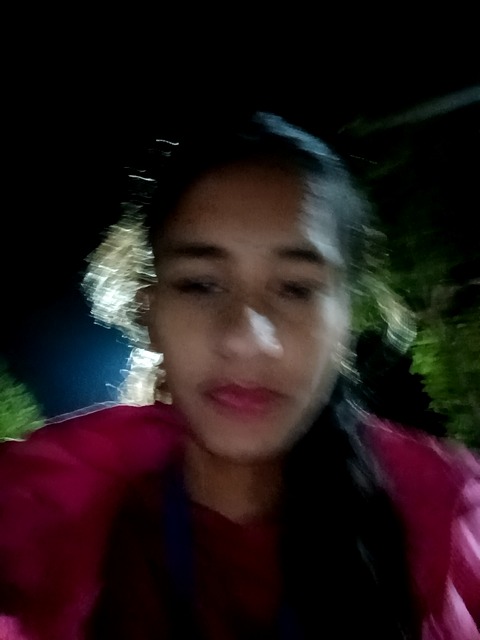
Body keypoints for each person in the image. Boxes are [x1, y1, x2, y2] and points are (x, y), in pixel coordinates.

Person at [0, 112, 478, 640]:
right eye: (201, 285)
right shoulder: (37, 513)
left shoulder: (452, 529)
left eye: (296, 289)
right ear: (149, 313)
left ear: (346, 325)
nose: (247, 338)